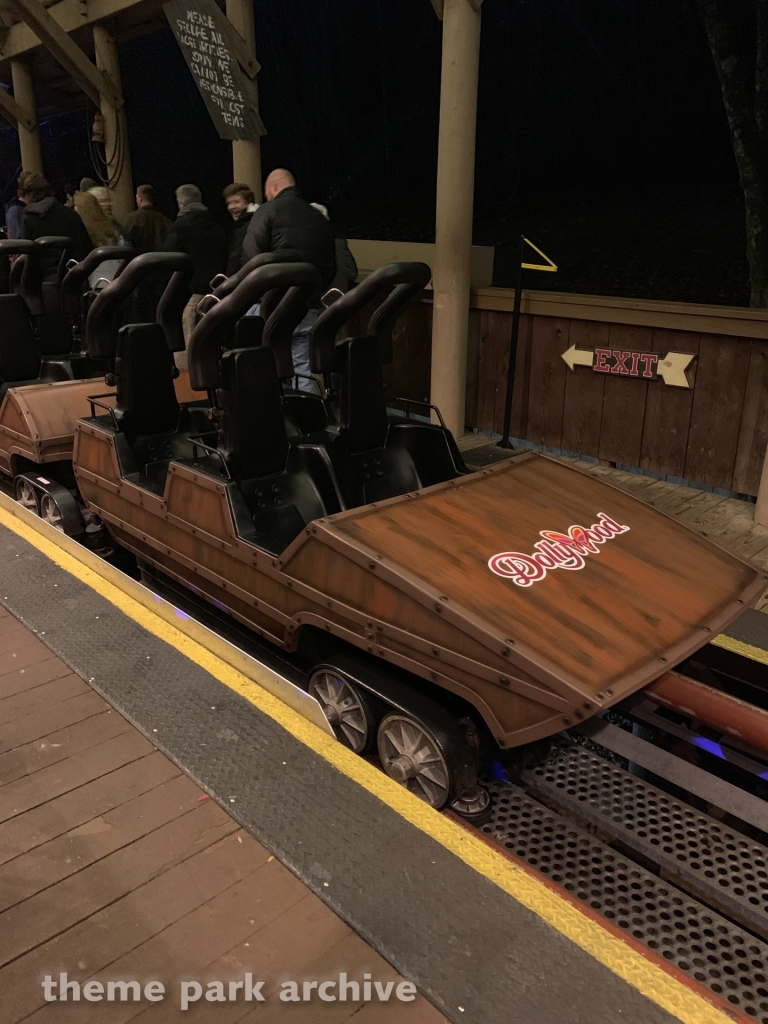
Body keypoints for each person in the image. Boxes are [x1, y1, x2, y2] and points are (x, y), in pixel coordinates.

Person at [241, 169, 335, 391]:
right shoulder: (318, 217)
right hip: (307, 306)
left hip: (270, 306)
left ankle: (267, 417)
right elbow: (331, 265)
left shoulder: (268, 210)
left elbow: (251, 258)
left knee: (260, 364)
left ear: (273, 187)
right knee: (302, 367)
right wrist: (312, 292)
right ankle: (304, 419)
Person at [161, 183, 227, 364]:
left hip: (191, 293)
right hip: (218, 291)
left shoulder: (180, 227)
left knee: (189, 337)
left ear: (181, 204)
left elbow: (167, 256)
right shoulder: (217, 225)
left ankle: (189, 382)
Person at [19, 173, 92, 276]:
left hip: (42, 279)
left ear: (28, 195)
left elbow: (26, 253)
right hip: (73, 274)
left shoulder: (28, 217)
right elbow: (86, 246)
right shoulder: (70, 213)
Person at [123, 185, 171, 254]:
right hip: (161, 261)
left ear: (140, 199)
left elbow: (126, 243)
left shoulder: (131, 219)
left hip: (138, 262)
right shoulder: (165, 220)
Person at [223, 182, 258, 276]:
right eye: (229, 203)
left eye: (236, 202)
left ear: (249, 202)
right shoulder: (243, 224)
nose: (231, 207)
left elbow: (237, 258)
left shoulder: (250, 224)